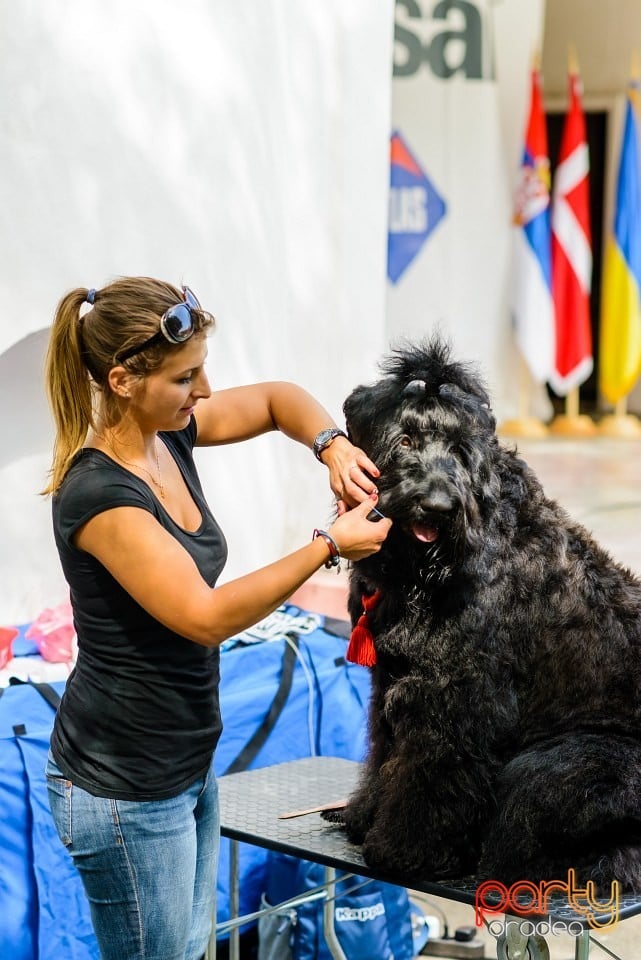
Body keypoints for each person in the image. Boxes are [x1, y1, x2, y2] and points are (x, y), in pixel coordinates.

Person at [43, 276, 391, 960]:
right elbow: (201, 618)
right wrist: (327, 546)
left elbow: (274, 399)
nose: (203, 391)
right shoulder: (100, 494)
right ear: (121, 380)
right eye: (186, 377)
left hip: (184, 765)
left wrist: (330, 444)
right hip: (124, 789)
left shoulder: (165, 433)